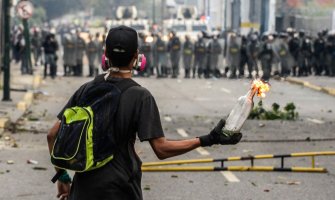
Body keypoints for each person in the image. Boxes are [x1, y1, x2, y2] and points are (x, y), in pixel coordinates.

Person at [47, 25, 242, 200]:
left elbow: (52, 135)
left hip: (83, 190)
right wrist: (207, 139)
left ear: (105, 54)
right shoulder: (141, 96)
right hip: (121, 188)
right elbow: (161, 149)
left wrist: (63, 178)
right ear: (137, 57)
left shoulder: (85, 89)